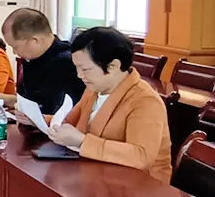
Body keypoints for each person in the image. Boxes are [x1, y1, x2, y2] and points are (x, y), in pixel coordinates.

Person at [48, 27, 172, 182]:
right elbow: (70, 122)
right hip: (95, 173)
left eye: (85, 69)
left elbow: (141, 156)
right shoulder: (93, 89)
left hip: (138, 186)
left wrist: (83, 141)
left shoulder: (145, 100)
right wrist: (38, 119)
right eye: (77, 68)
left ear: (113, 66)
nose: (79, 75)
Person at [0, 8, 85, 120]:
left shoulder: (65, 63)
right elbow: (28, 100)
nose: (15, 52)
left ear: (35, 41)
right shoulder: (34, 58)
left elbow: (48, 109)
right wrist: (3, 99)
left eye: (15, 47)